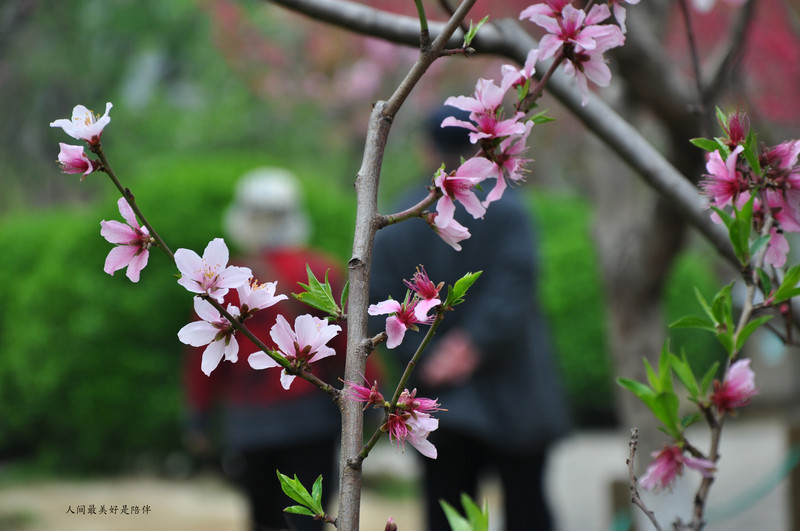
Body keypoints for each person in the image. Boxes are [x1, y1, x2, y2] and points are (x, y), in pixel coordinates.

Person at [370, 108, 571, 531]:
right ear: (480, 144)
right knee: (528, 509)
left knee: (447, 512)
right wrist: (475, 342)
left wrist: (431, 354)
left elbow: (381, 300)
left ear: (426, 150)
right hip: (515, 390)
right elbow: (517, 283)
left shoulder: (395, 217)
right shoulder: (508, 209)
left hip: (439, 399)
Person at [183, 168, 345, 531]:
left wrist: (198, 418)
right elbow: (346, 347)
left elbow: (202, 358)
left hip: (250, 422)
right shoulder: (320, 270)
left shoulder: (220, 281)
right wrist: (367, 406)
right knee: (309, 518)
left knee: (264, 519)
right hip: (312, 420)